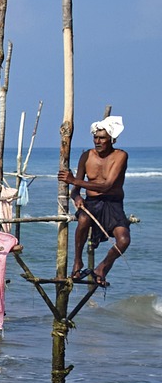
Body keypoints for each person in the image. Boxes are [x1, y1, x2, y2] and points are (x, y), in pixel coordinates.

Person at [58, 115, 129, 287]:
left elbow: (107, 185)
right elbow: (75, 190)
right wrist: (77, 197)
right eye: (95, 137)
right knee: (83, 219)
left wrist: (74, 180)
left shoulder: (120, 156)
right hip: (91, 203)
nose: (98, 141)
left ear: (111, 139)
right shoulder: (86, 156)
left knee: (124, 240)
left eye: (102, 138)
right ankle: (77, 262)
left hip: (113, 203)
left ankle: (102, 267)